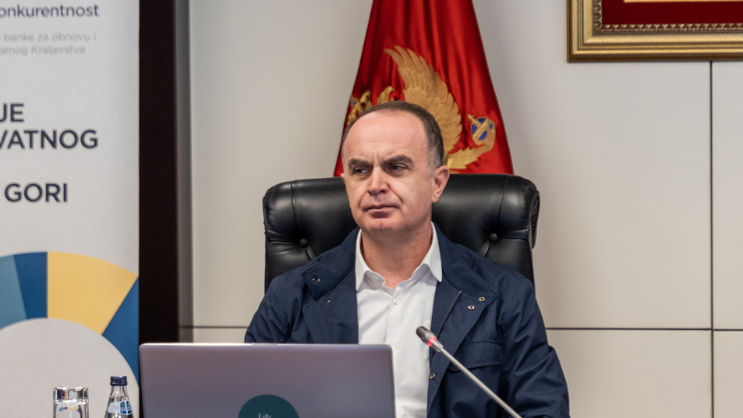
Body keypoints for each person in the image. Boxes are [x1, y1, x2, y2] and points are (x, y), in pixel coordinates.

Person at [245, 101, 570, 418]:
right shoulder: (290, 295)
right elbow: (247, 403)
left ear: (437, 183)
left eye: (396, 167)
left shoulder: (506, 295)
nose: (375, 185)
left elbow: (542, 410)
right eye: (360, 170)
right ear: (347, 185)